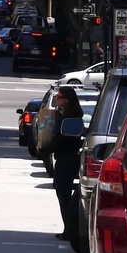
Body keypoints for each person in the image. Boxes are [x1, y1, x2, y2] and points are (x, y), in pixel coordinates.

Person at [52, 85, 84, 239]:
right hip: (69, 159)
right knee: (63, 195)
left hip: (66, 160)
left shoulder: (68, 119)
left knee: (64, 195)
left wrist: (45, 148)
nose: (57, 99)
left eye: (59, 97)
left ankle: (70, 230)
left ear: (67, 100)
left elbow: (60, 140)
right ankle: (68, 229)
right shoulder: (68, 115)